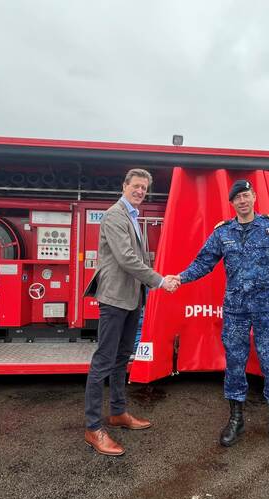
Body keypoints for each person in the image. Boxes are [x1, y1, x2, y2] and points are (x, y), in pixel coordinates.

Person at [176, 179, 269, 456]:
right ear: (231, 203)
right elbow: (204, 262)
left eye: (246, 195)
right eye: (237, 198)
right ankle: (236, 419)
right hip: (236, 309)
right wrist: (181, 278)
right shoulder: (223, 233)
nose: (242, 201)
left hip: (268, 308)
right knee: (234, 363)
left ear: (254, 197)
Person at [83, 168, 180, 456]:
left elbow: (135, 258)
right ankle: (92, 428)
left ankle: (117, 413)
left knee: (122, 358)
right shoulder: (115, 215)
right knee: (103, 361)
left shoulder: (133, 216)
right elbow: (126, 258)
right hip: (114, 299)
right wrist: (160, 281)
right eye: (136, 186)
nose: (140, 191)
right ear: (124, 186)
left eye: (144, 188)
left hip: (131, 297)